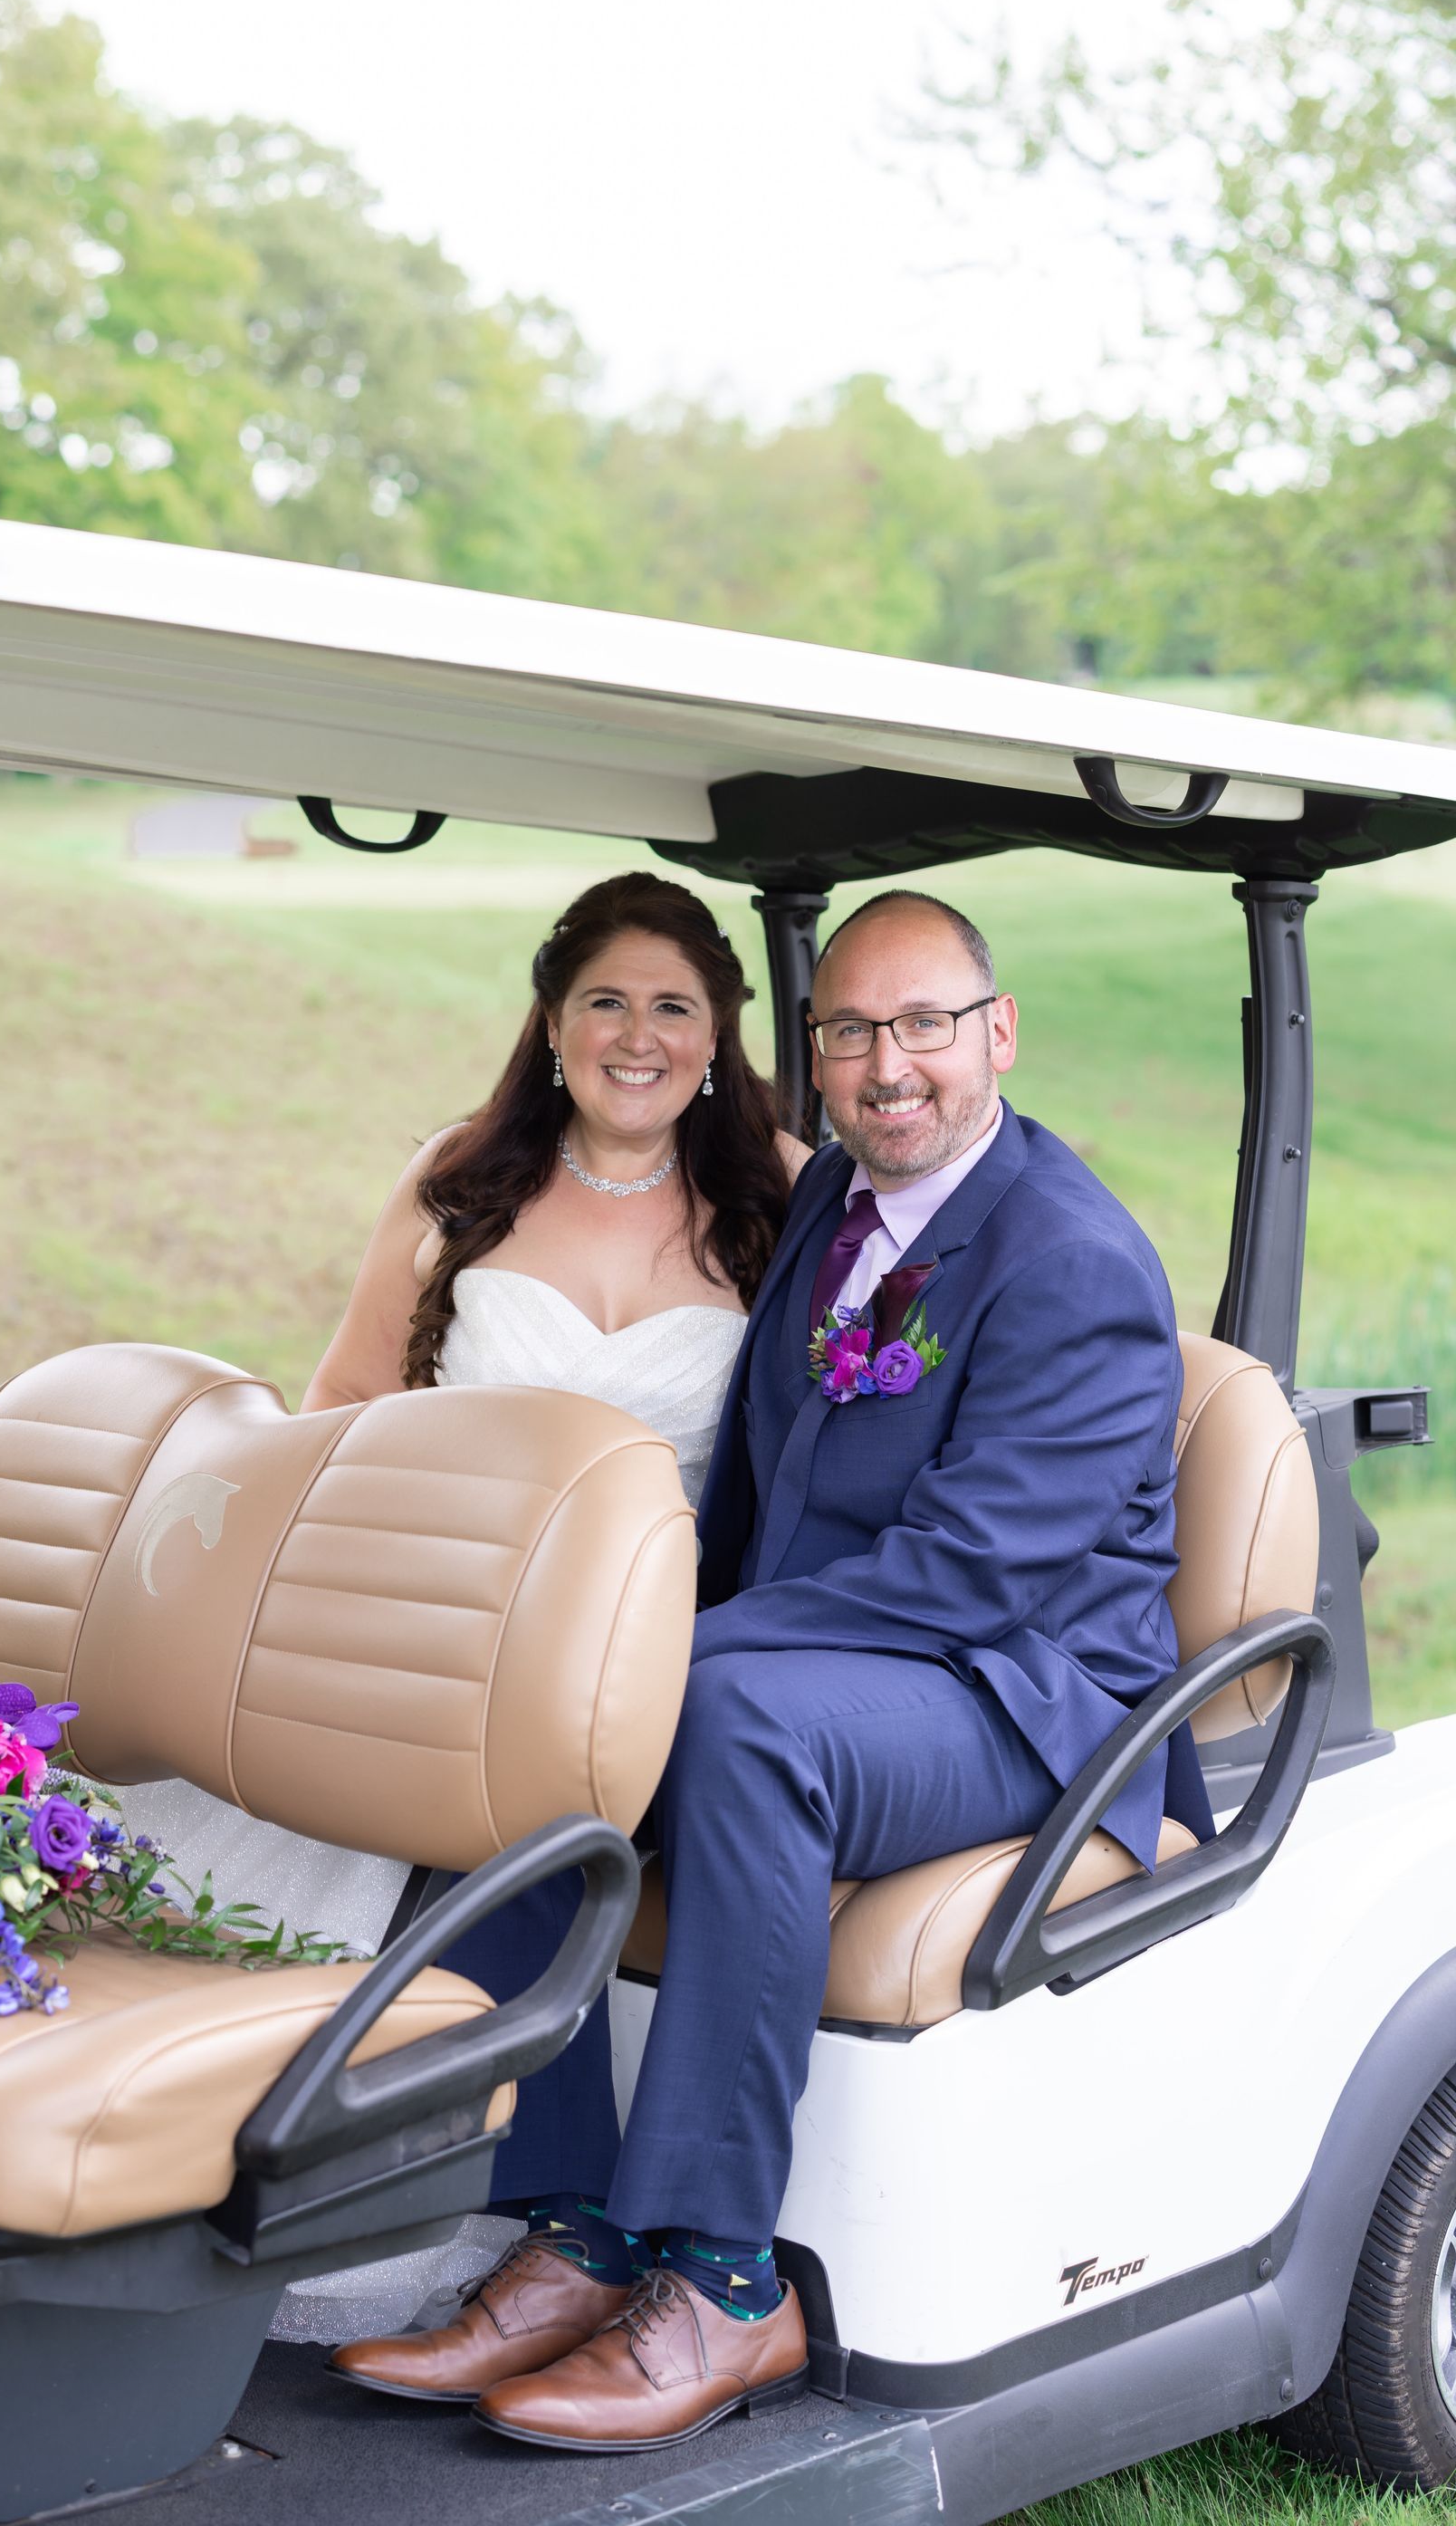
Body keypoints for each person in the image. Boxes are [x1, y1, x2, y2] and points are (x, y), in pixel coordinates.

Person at [331, 886, 1215, 2453]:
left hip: (1030, 1692)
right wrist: (588, 1654)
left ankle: (730, 2277)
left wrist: (664, 1654)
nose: (892, 1064)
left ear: (997, 1032)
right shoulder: (835, 1206)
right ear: (812, 1057)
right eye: (853, 1031)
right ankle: (580, 2226)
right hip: (865, 1666)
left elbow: (974, 1570)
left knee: (723, 1712)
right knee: (549, 1700)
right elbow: (752, 1482)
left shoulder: (1068, 1257)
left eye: (926, 1023)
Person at [116, 866, 800, 1962]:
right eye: (605, 1002)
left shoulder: (783, 1196)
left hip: (647, 1638)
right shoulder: (462, 1172)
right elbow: (346, 1399)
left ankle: (469, 2098)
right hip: (426, 1600)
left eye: (673, 1006)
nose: (638, 1035)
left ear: (716, 1034)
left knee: (528, 1820)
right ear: (554, 1023)